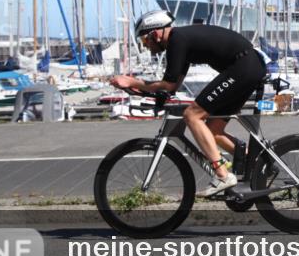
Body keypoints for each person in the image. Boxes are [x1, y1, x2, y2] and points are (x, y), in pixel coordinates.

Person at [109, 10, 268, 196]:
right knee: (212, 131)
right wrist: (149, 91)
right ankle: (258, 163)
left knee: (192, 115)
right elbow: (172, 85)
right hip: (247, 67)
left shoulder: (178, 40)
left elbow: (167, 84)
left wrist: (131, 81)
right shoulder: (180, 42)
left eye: (145, 41)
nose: (146, 46)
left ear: (156, 33)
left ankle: (223, 176)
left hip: (244, 67)